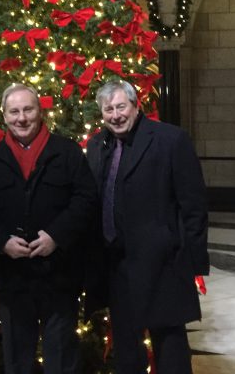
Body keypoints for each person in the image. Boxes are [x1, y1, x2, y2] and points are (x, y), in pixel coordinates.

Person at [85, 80, 209, 374]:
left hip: (163, 264)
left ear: (135, 105)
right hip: (116, 265)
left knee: (170, 347)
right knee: (127, 349)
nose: (115, 115)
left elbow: (193, 205)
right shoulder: (97, 145)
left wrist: (190, 261)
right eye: (108, 110)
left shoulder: (170, 139)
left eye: (120, 107)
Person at [0, 83, 96, 374]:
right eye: (14, 111)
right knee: (17, 360)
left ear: (40, 112)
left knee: (62, 359)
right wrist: (1, 241)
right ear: (4, 116)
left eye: (28, 109)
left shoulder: (67, 152)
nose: (21, 118)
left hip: (60, 275)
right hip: (12, 278)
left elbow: (86, 198)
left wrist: (56, 236)